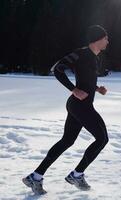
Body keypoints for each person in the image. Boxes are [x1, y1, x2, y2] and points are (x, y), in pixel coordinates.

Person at [22, 25, 110, 195]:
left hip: (81, 106)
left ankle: (36, 176)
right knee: (102, 139)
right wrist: (74, 89)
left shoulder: (95, 58)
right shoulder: (80, 53)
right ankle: (77, 175)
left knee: (67, 141)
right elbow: (57, 69)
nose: (108, 41)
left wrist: (97, 88)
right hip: (79, 106)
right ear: (98, 39)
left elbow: (86, 80)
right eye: (106, 38)